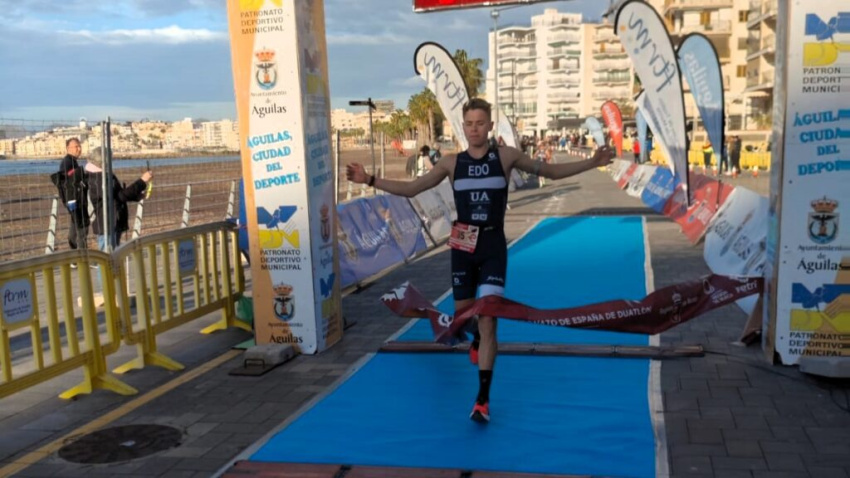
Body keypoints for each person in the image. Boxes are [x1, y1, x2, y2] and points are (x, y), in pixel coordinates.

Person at [346, 99, 613, 423]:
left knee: (488, 319)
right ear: (464, 126)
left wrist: (592, 162)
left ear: (489, 125)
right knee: (464, 317)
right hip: (461, 246)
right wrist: (369, 179)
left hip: (492, 245)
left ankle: (482, 400)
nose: (474, 129)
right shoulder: (450, 163)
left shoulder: (506, 157)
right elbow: (413, 188)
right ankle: (474, 337)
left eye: (480, 123)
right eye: (469, 124)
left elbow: (552, 172)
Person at [85, 147, 152, 251]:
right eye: (110, 159)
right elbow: (120, 196)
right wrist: (142, 181)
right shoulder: (98, 178)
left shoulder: (101, 176)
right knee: (107, 259)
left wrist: (136, 196)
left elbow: (117, 195)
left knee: (113, 258)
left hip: (112, 222)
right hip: (106, 224)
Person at [50, 138, 90, 251]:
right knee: (82, 226)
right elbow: (68, 181)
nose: (79, 149)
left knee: (75, 224)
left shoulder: (72, 161)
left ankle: (74, 254)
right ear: (68, 148)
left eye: (79, 146)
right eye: (76, 146)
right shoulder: (67, 162)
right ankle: (82, 256)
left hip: (74, 199)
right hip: (75, 199)